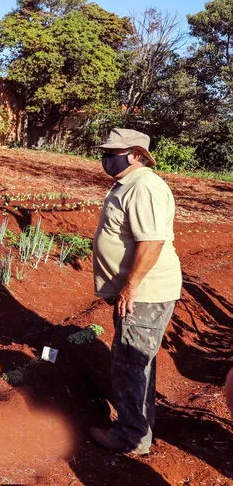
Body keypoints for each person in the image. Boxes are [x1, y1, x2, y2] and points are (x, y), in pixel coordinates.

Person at [88, 128, 182, 456]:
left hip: (145, 292)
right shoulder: (129, 184)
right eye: (105, 151)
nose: (106, 157)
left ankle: (131, 437)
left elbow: (152, 241)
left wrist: (130, 287)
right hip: (140, 290)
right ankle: (139, 430)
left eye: (113, 152)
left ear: (136, 155)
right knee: (136, 359)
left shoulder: (145, 186)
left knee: (131, 361)